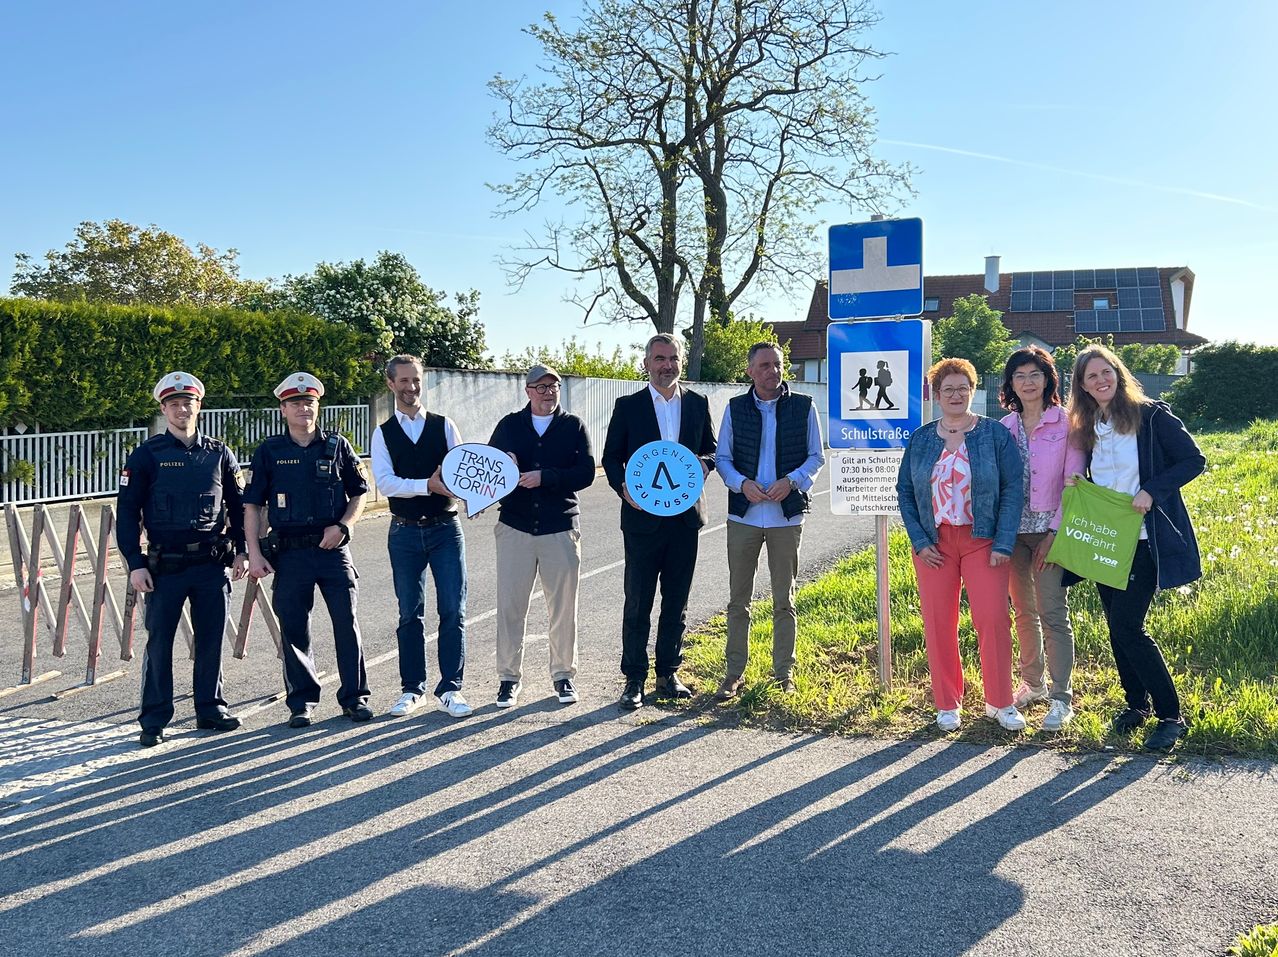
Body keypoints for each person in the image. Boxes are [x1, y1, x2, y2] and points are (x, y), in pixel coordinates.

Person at [1066, 344, 1204, 752]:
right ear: (1084, 387)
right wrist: (1082, 487)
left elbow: (1193, 460)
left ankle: (1171, 716)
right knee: (1115, 624)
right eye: (1091, 377)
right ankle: (1136, 705)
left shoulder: (1152, 416)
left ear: (1117, 372)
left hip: (1145, 539)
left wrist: (1151, 491)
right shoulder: (1091, 425)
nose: (1101, 380)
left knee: (1128, 625)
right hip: (1106, 538)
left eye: (1105, 371)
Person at [117, 371, 247, 747]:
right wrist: (135, 562)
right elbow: (127, 512)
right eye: (174, 404)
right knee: (160, 643)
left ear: (198, 406)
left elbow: (238, 507)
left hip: (210, 563)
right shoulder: (146, 455)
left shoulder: (218, 452)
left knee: (210, 640)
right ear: (163, 408)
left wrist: (241, 549)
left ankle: (210, 708)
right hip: (164, 567)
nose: (181, 409)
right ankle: (154, 718)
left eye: (187, 402)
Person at [896, 357, 1025, 733]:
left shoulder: (994, 434)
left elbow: (1013, 488)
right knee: (938, 621)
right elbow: (905, 492)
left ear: (973, 391)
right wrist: (919, 541)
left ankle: (1000, 702)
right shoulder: (921, 439)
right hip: (934, 544)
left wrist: (1004, 541)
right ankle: (947, 702)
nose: (956, 394)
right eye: (947, 389)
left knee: (993, 618)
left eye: (962, 387)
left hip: (982, 540)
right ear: (936, 395)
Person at [244, 373, 372, 727]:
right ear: (283, 409)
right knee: (295, 628)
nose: (304, 408)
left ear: (318, 406)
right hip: (290, 552)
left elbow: (360, 492)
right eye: (296, 403)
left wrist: (345, 526)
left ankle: (354, 697)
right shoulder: (270, 451)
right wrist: (254, 553)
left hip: (333, 549)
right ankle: (301, 702)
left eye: (309, 402)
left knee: (347, 623)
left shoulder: (337, 445)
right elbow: (252, 506)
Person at [602, 333, 717, 710]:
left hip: (684, 519)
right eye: (660, 358)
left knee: (677, 600)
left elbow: (712, 449)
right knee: (638, 601)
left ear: (681, 362)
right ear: (647, 363)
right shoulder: (628, 406)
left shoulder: (698, 404)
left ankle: (668, 671)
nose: (667, 365)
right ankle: (633, 677)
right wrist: (624, 489)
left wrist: (706, 463)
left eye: (673, 359)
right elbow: (612, 457)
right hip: (642, 519)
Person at [713, 342, 824, 700]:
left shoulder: (804, 407)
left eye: (777, 365)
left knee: (784, 600)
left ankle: (783, 673)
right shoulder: (734, 408)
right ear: (750, 371)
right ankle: (733, 673)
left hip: (786, 517)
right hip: (743, 515)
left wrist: (791, 481)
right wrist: (741, 484)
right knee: (738, 601)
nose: (772, 371)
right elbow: (723, 458)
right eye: (764, 366)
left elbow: (816, 457)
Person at [488, 363, 596, 707]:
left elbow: (585, 472)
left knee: (563, 608)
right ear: (528, 391)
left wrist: (545, 477)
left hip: (560, 528)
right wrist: (506, 466)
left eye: (553, 386)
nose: (548, 392)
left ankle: (563, 675)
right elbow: (491, 471)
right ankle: (508, 678)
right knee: (510, 606)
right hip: (515, 526)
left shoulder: (573, 426)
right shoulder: (508, 425)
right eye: (541, 387)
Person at [370, 354, 472, 719]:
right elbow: (385, 483)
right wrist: (426, 485)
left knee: (452, 610)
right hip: (404, 533)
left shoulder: (445, 426)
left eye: (416, 380)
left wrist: (474, 494)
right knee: (409, 614)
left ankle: (451, 688)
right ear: (390, 383)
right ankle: (413, 689)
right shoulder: (383, 433)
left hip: (446, 528)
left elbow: (462, 472)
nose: (411, 387)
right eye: (404, 381)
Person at [999, 346, 1085, 730]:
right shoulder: (1004, 427)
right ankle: (1032, 683)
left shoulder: (1066, 423)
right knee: (1023, 612)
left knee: (1052, 612)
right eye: (1020, 376)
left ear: (1048, 379)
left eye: (1034, 374)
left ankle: (1061, 695)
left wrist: (1055, 533)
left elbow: (1074, 482)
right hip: (1013, 534)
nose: (1027, 382)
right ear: (1010, 383)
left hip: (1051, 532)